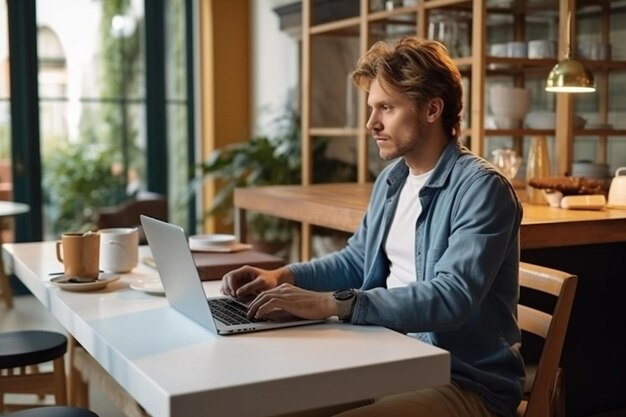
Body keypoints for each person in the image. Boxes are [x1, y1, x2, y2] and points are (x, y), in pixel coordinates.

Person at [222, 36, 524, 417]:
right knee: (266, 405)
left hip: (463, 380)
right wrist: (282, 276)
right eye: (372, 108)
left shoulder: (482, 189)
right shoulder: (392, 180)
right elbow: (357, 260)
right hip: (387, 358)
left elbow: (452, 297)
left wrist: (331, 304)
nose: (371, 123)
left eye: (387, 108)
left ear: (433, 109)